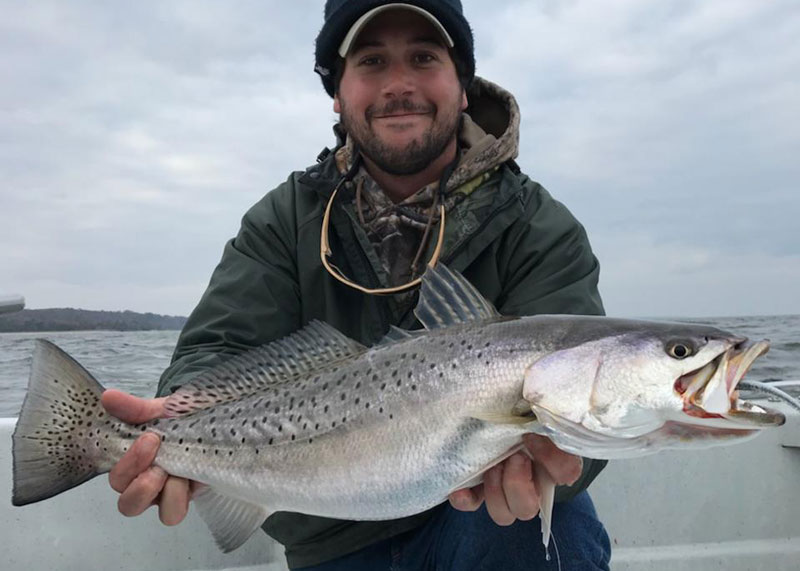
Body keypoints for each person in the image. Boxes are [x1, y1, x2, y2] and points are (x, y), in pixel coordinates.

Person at [101, 1, 612, 569]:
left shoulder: (536, 225)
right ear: (338, 95)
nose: (399, 85)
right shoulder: (284, 219)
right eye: (371, 61)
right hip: (328, 537)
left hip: (479, 519)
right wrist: (172, 428)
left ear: (463, 85)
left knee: (550, 524)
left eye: (423, 57)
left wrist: (564, 462)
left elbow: (587, 405)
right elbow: (214, 351)